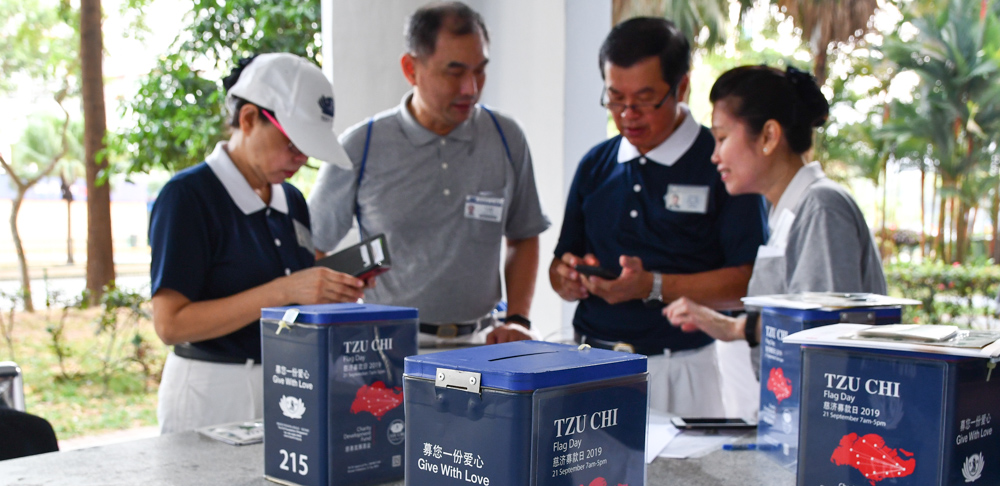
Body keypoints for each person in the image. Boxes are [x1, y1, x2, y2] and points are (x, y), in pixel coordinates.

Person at [549, 18, 767, 417]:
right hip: (589, 362)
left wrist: (653, 286)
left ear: (681, 88)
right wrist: (567, 277)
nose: (628, 114)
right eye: (615, 99)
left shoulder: (721, 164)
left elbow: (748, 282)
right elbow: (560, 262)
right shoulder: (596, 164)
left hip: (681, 369)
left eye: (644, 100)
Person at [308, 1, 549, 348]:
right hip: (388, 346)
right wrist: (345, 310)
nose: (471, 88)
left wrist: (518, 319)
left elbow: (524, 235)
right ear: (411, 69)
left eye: (480, 70)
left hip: (481, 343)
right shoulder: (362, 145)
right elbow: (312, 249)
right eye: (454, 72)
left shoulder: (506, 137)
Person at [149, 53, 368, 434]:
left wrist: (331, 287)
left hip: (288, 378)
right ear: (249, 119)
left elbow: (295, 288)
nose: (300, 158)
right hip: (213, 389)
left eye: (307, 149)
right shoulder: (189, 197)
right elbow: (170, 324)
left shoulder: (291, 200)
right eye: (292, 143)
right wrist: (284, 290)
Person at [663, 65, 887, 356]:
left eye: (722, 138)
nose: (714, 156)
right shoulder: (787, 211)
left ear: (769, 136)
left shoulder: (820, 207)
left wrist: (734, 327)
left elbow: (823, 337)